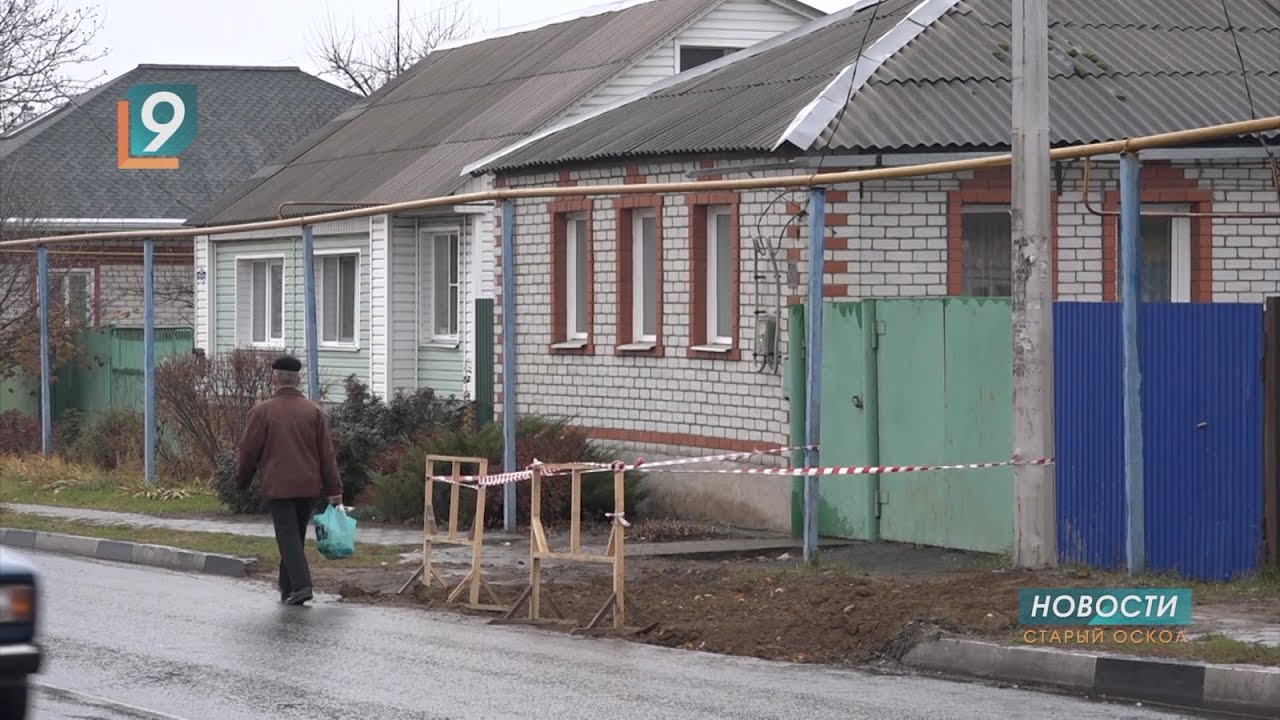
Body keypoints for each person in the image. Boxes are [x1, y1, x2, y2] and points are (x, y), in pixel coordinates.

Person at [235, 356, 343, 606]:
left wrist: (242, 481)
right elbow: (326, 454)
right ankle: (287, 588)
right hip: (308, 487)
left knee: (287, 536)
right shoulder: (314, 411)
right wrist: (334, 489)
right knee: (294, 536)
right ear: (299, 379)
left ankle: (303, 585)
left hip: (278, 486)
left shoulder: (263, 412)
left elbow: (249, 452)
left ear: (274, 379)